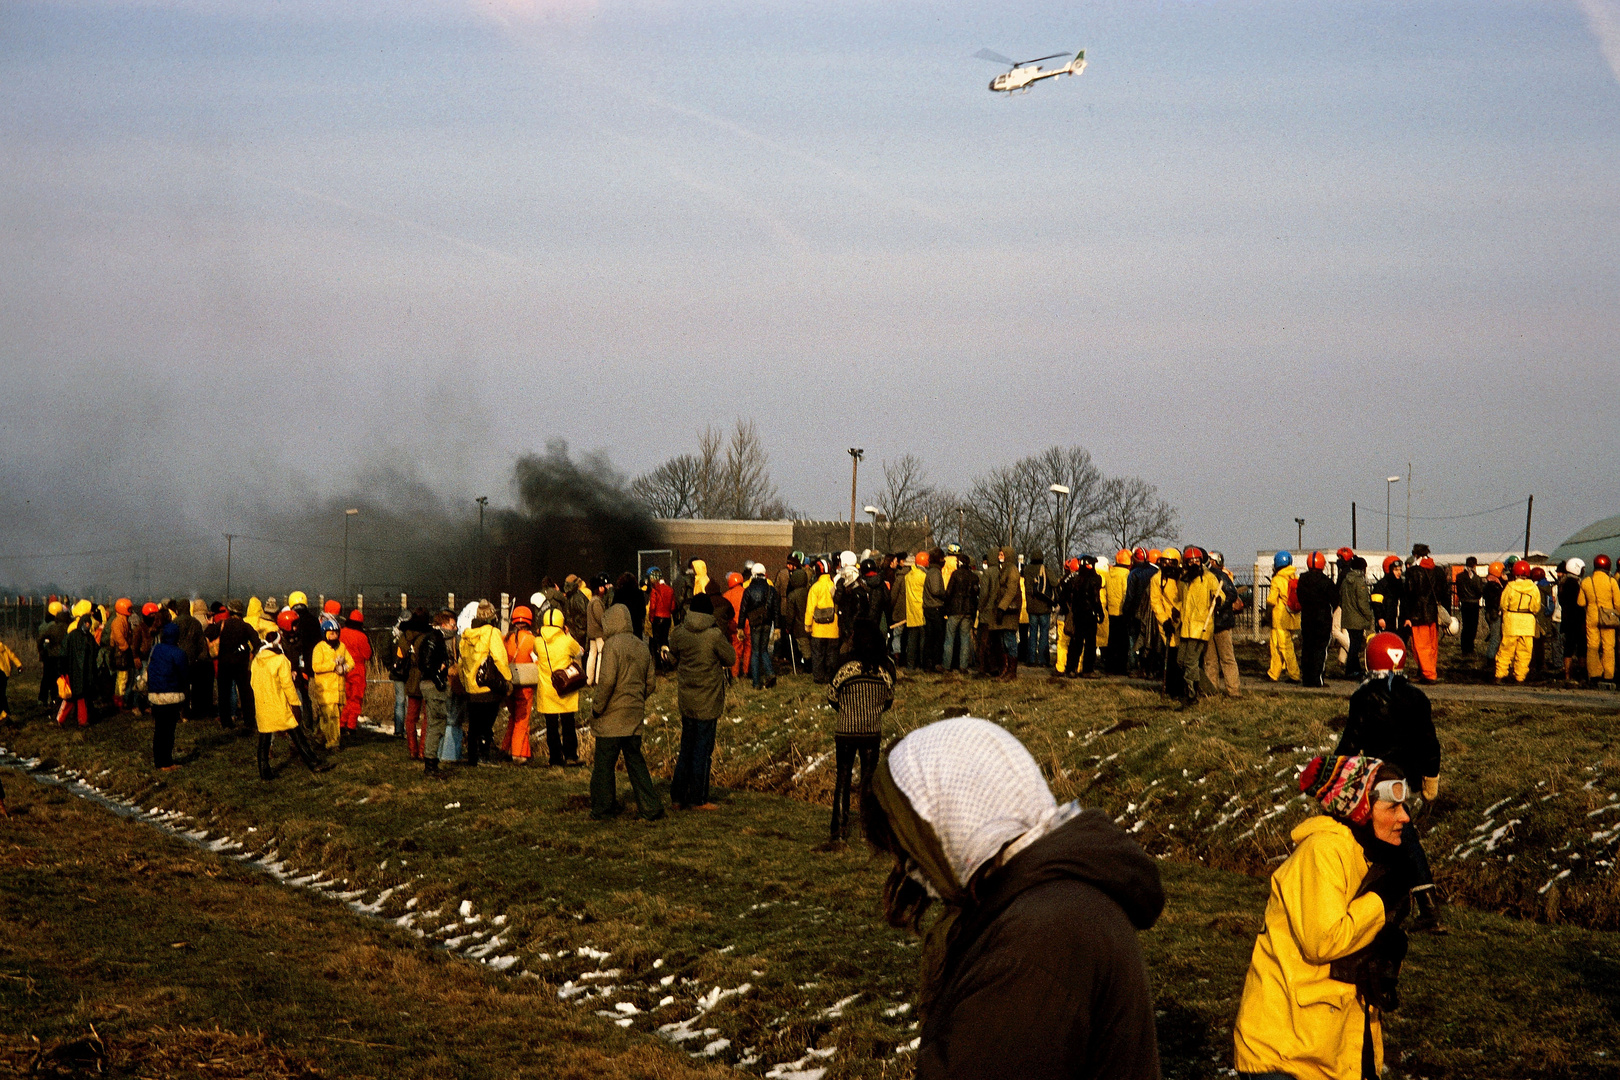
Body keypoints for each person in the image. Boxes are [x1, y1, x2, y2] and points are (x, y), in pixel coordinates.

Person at [863, 717, 1164, 1080]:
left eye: (914, 852)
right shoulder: (1047, 904)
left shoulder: (1037, 940)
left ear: (955, 819)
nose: (915, 875)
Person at [1234, 754, 1413, 1080]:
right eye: (1392, 808)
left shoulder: (1363, 856)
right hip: (1286, 1056)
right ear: (1360, 812)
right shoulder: (1324, 852)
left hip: (1324, 1049)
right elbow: (1324, 941)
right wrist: (1380, 901)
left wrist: (1384, 948)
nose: (1405, 817)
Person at [1337, 632, 1443, 931]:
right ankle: (1412, 905)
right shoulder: (1418, 697)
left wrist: (1335, 774)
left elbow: (1350, 742)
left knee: (1395, 840)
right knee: (1400, 839)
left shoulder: (1365, 696)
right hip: (1406, 780)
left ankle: (1422, 908)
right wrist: (1430, 776)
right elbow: (1430, 743)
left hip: (1378, 779)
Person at [589, 604, 663, 821]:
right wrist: (636, 699)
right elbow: (651, 683)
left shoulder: (612, 646)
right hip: (634, 716)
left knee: (604, 765)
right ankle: (650, 806)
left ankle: (603, 807)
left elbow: (607, 682)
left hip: (611, 718)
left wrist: (597, 708)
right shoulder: (642, 646)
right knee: (636, 762)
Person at [825, 622, 894, 846]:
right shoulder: (883, 671)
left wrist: (846, 710)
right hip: (871, 732)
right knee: (868, 781)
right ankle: (867, 830)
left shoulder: (845, 669)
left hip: (845, 731)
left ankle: (839, 830)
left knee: (843, 779)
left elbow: (832, 695)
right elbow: (888, 700)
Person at [667, 593, 736, 810]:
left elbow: (672, 655)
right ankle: (698, 798)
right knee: (703, 751)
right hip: (708, 699)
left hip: (687, 698)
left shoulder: (679, 632)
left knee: (686, 747)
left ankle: (678, 797)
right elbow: (731, 658)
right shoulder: (714, 635)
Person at [251, 618, 332, 781]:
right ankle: (313, 762)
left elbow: (253, 683)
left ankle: (264, 771)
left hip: (262, 705)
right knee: (297, 733)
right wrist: (295, 703)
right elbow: (288, 685)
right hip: (280, 705)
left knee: (264, 739)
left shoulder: (256, 661)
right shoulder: (281, 660)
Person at [458, 600, 511, 766]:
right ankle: (484, 756)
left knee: (474, 725)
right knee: (487, 724)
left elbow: (462, 663)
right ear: (492, 617)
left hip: (472, 688)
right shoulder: (492, 633)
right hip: (488, 686)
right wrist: (507, 679)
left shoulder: (466, 636)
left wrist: (466, 683)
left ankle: (473, 758)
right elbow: (500, 658)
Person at [533, 606, 585, 767]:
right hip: (565, 688)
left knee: (551, 726)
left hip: (547, 689)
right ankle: (571, 756)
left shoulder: (538, 641)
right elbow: (580, 652)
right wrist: (567, 633)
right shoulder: (567, 640)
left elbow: (535, 652)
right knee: (568, 723)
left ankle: (555, 758)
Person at [1176, 547, 1220, 704]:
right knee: (1181, 660)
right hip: (1185, 627)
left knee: (1190, 661)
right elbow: (1181, 601)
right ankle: (1208, 689)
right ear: (1186, 563)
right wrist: (1175, 613)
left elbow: (1218, 593)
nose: (1194, 563)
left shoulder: (1209, 578)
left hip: (1201, 626)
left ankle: (1192, 693)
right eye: (1191, 561)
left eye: (1197, 560)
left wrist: (1219, 599)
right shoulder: (1184, 580)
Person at [418, 609, 457, 778]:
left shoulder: (435, 638)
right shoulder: (434, 639)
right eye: (452, 625)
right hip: (433, 686)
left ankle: (432, 762)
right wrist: (438, 676)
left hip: (433, 684)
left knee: (436, 724)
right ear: (443, 624)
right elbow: (426, 664)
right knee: (436, 724)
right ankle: (430, 764)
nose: (455, 628)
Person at [145, 621, 188, 770]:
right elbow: (184, 674)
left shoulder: (155, 649)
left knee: (159, 729)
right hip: (171, 695)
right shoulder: (179, 653)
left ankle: (159, 761)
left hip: (155, 694)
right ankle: (167, 762)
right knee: (169, 731)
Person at [215, 599, 259, 734]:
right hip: (241, 663)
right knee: (245, 693)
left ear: (230, 610)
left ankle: (226, 721)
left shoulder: (222, 624)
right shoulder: (245, 626)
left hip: (224, 662)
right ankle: (249, 721)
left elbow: (208, 634)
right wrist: (251, 654)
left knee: (224, 693)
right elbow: (257, 643)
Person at [1494, 559, 1542, 684]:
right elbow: (1536, 608)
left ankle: (1500, 674)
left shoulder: (1510, 587)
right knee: (1524, 652)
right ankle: (1520, 677)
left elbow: (1503, 604)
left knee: (1505, 650)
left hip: (1511, 622)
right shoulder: (1533, 588)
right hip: (1527, 624)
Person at [502, 606, 540, 763]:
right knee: (522, 721)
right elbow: (538, 661)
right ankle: (518, 754)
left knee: (513, 718)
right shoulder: (533, 640)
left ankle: (505, 748)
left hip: (508, 684)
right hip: (525, 685)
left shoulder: (506, 638)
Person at [311, 615, 354, 749]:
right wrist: (333, 665)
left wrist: (344, 668)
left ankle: (319, 737)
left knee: (330, 717)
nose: (333, 636)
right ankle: (333, 743)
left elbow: (351, 662)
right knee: (331, 717)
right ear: (325, 634)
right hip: (325, 690)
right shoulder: (319, 648)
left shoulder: (342, 647)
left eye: (336, 633)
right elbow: (316, 667)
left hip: (339, 691)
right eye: (331, 634)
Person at [1297, 552, 1339, 689]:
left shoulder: (1302, 580)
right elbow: (1336, 600)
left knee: (1307, 648)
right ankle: (1317, 679)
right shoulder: (1325, 582)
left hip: (1307, 618)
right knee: (1320, 649)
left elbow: (1300, 598)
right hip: (1322, 620)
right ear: (1323, 564)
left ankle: (1306, 678)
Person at [1204, 551, 1243, 697]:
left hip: (1219, 622)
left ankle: (1227, 690)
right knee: (1215, 659)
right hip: (1214, 623)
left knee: (1219, 659)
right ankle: (1219, 690)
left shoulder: (1220, 576)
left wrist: (1219, 605)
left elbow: (1231, 594)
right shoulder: (1214, 576)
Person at [1059, 555, 1103, 678]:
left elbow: (1062, 596)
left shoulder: (1074, 578)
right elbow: (1095, 598)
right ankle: (1087, 670)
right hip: (1089, 615)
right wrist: (1100, 612)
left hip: (1077, 614)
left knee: (1076, 642)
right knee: (1090, 643)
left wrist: (1068, 609)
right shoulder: (1095, 578)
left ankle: (1071, 668)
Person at [395, 609, 431, 759]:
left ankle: (412, 749)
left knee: (411, 717)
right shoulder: (428, 636)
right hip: (426, 677)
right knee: (427, 716)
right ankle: (423, 750)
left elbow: (400, 655)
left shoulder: (406, 635)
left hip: (411, 677)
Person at [1578, 553, 1619, 685]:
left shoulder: (1586, 582)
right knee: (1608, 647)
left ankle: (1594, 674)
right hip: (1608, 617)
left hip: (1591, 616)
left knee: (1592, 646)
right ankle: (1608, 674)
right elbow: (1618, 603)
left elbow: (1580, 602)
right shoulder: (1611, 581)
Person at [56, 600, 98, 727]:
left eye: (89, 623)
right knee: (71, 698)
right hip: (72, 672)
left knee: (81, 697)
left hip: (85, 673)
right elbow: (63, 653)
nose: (87, 625)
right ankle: (61, 719)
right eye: (85, 623)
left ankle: (82, 720)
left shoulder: (90, 638)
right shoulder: (72, 636)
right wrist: (62, 670)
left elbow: (95, 653)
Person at [1149, 549, 1183, 696]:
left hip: (1183, 620)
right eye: (1164, 562)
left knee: (1183, 657)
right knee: (1170, 656)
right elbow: (1155, 602)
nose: (1167, 565)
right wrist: (1164, 621)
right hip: (1167, 622)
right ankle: (1171, 688)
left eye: (1171, 562)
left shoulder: (1183, 577)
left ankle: (1184, 687)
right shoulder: (1157, 579)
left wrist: (1179, 609)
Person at [739, 564, 778, 689]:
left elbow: (743, 610)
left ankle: (756, 683)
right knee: (764, 650)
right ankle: (770, 672)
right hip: (767, 623)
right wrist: (777, 627)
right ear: (764, 574)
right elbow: (776, 610)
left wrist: (740, 627)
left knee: (755, 652)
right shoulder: (771, 589)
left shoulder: (748, 590)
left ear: (753, 574)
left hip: (754, 623)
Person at [988, 547, 1023, 681]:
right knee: (1004, 640)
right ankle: (1005, 670)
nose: (999, 556)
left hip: (1009, 611)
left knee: (1009, 641)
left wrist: (1001, 608)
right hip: (1004, 610)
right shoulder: (1003, 569)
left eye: (1002, 554)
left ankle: (1011, 672)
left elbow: (1011, 591)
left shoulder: (1012, 570)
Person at [1266, 551, 1301, 684]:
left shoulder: (1277, 579)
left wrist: (1267, 616)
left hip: (1280, 619)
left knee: (1285, 648)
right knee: (1277, 646)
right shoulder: (1294, 577)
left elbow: (1271, 600)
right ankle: (1273, 673)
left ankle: (1294, 674)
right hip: (1293, 618)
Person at [942, 554, 979, 673]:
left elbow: (948, 592)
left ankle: (946, 665)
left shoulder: (955, 575)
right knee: (965, 639)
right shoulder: (974, 577)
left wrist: (945, 607)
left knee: (950, 638)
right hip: (968, 611)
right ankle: (963, 666)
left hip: (954, 610)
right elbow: (975, 597)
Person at [806, 560, 841, 683]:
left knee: (818, 655)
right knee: (831, 655)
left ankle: (819, 678)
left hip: (818, 629)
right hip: (833, 629)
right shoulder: (834, 585)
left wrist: (807, 625)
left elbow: (810, 608)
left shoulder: (815, 587)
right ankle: (831, 677)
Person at [1339, 556, 1374, 680]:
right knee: (1355, 645)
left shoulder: (1345, 580)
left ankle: (1354, 668)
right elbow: (1362, 602)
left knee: (1354, 643)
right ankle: (1351, 670)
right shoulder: (1359, 582)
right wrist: (1369, 616)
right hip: (1357, 619)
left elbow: (1341, 597)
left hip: (1347, 617)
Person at [338, 610, 371, 732]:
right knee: (356, 698)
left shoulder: (341, 632)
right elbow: (367, 654)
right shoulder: (362, 636)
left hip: (343, 667)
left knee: (344, 697)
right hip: (357, 668)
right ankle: (351, 725)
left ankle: (341, 723)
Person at [1022, 551, 1055, 668]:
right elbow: (1054, 582)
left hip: (1031, 607)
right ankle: (1043, 660)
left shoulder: (1026, 570)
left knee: (1032, 633)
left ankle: (1030, 659)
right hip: (1044, 606)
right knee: (1044, 634)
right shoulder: (1044, 568)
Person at [1559, 559, 1588, 685]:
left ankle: (1567, 674)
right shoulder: (1575, 584)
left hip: (1567, 619)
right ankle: (1582, 673)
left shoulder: (1563, 584)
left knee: (1568, 648)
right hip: (1578, 619)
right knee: (1581, 648)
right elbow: (1580, 602)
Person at [900, 552, 928, 670]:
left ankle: (910, 665)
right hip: (921, 611)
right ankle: (922, 664)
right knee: (923, 641)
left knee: (911, 641)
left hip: (911, 612)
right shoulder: (923, 576)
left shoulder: (908, 576)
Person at [645, 567, 676, 667]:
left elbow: (653, 607)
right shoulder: (670, 590)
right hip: (667, 618)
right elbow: (673, 607)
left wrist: (651, 618)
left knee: (656, 642)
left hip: (657, 618)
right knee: (665, 640)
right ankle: (667, 660)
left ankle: (658, 663)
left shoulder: (655, 590)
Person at [1455, 557, 1484, 655]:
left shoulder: (1459, 577)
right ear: (1475, 565)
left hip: (1464, 603)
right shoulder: (1476, 578)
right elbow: (1479, 591)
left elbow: (1458, 591)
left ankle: (1464, 648)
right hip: (1474, 603)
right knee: (1473, 627)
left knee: (1465, 626)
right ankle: (1470, 647)